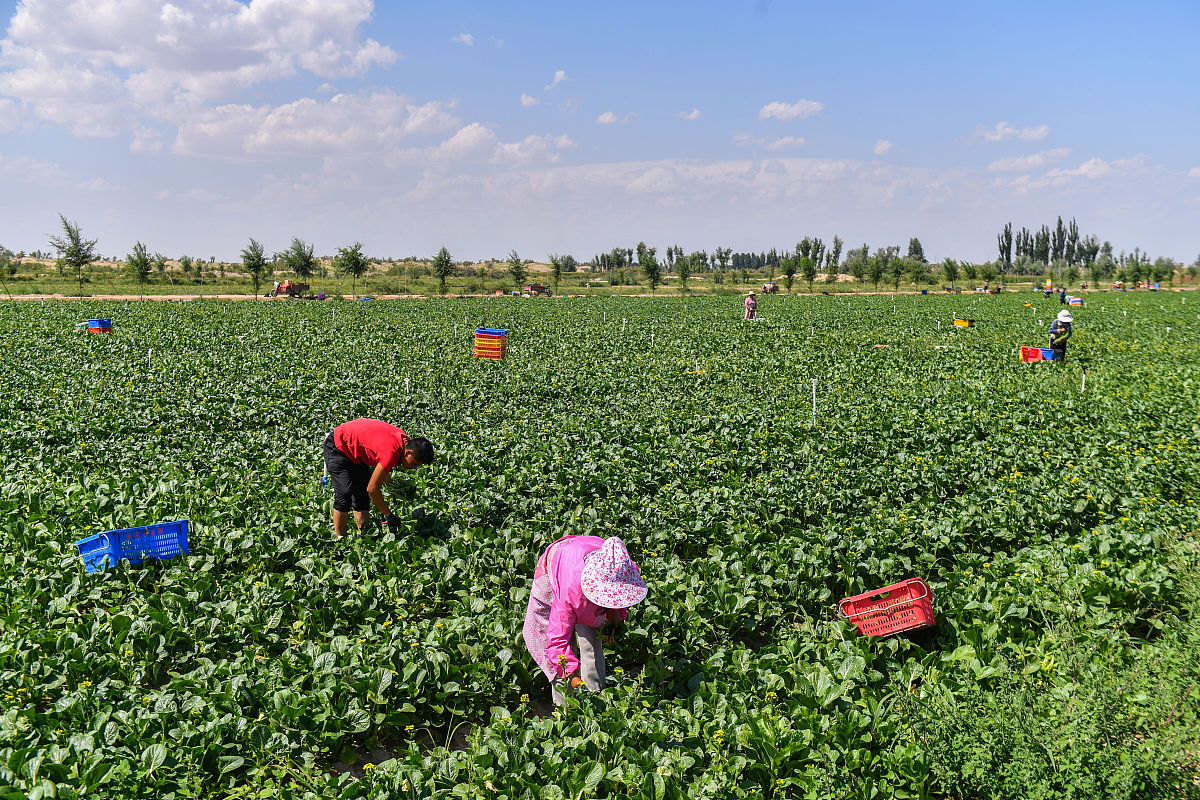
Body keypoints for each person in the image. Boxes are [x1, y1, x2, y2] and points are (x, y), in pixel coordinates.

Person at [522, 535, 648, 705]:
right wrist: (574, 678)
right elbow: (557, 643)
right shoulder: (570, 593)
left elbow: (618, 597)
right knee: (559, 654)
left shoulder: (622, 568)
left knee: (593, 640)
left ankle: (596, 698)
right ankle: (565, 708)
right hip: (558, 568)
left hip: (582, 556)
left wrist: (614, 622)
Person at [322, 418, 435, 539]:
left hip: (357, 451)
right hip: (338, 445)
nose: (413, 468)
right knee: (344, 494)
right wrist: (388, 515)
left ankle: (364, 537)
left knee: (361, 496)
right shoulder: (392, 452)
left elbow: (381, 456)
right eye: (414, 464)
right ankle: (340, 540)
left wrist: (389, 484)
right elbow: (372, 489)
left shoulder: (403, 441)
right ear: (409, 453)